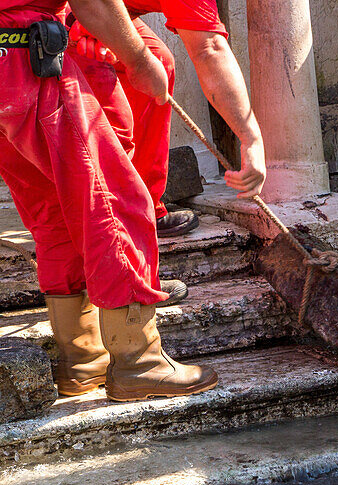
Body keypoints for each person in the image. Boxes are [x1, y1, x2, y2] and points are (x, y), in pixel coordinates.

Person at [0, 0, 217, 400]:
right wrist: (139, 58)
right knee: (115, 200)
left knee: (53, 212)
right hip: (27, 58)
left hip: (7, 67)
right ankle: (139, 360)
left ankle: (81, 361)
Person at [66, 0, 265, 236]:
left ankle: (143, 206)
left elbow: (206, 46)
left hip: (99, 9)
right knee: (114, 123)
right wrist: (251, 139)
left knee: (158, 63)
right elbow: (209, 50)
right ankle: (111, 220)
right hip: (43, 14)